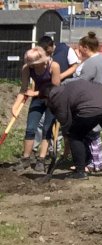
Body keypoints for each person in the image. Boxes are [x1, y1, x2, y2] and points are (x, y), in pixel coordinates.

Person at [44, 67, 102, 180]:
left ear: (47, 97)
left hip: (92, 108)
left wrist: (67, 134)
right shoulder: (68, 87)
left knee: (75, 135)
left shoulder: (56, 97)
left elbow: (65, 122)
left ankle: (80, 172)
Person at [16, 35, 71, 172]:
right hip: (38, 100)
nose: (32, 66)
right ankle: (26, 159)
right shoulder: (27, 68)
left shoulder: (54, 66)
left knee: (47, 129)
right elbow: (24, 89)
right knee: (30, 128)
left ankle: (41, 159)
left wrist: (34, 93)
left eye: (34, 64)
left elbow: (55, 89)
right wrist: (15, 107)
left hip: (52, 100)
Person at [58, 34, 102, 174]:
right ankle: (91, 162)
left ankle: (96, 163)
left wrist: (64, 83)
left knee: (92, 133)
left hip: (92, 101)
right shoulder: (99, 59)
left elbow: (82, 80)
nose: (77, 51)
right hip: (97, 99)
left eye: (79, 49)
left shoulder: (92, 63)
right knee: (89, 133)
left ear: (86, 48)